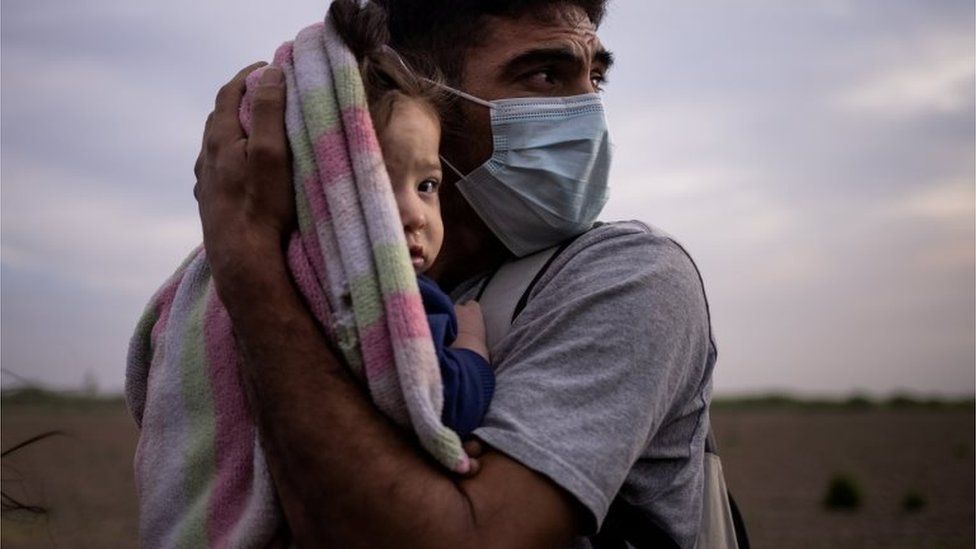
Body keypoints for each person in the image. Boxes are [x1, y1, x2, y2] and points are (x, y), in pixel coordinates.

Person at [194, 0, 716, 547]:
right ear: (422, 97)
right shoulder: (343, 285)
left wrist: (249, 269)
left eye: (596, 80)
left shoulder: (629, 275)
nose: (590, 114)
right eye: (544, 75)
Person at [342, 7, 494, 438]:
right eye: (376, 187)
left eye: (426, 184)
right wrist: (472, 347)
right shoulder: (404, 298)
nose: (413, 215)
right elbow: (449, 404)